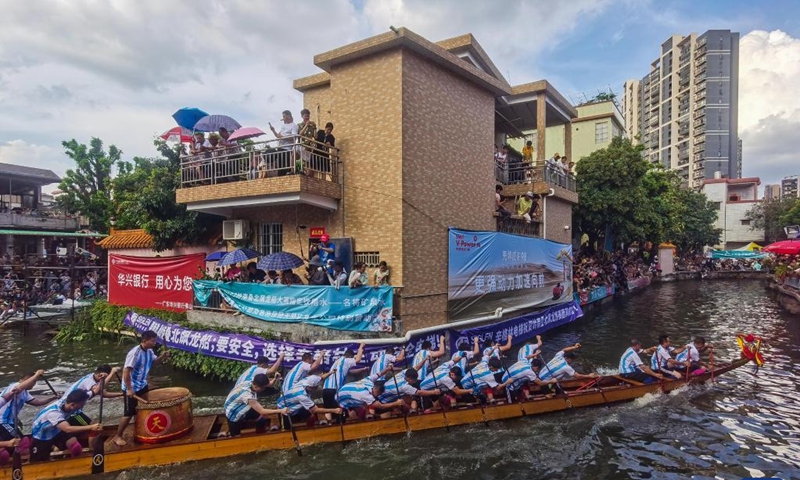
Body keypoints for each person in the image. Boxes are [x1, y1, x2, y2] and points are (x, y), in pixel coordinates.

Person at [111, 330, 171, 447]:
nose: (154, 343)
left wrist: (163, 357)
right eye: (152, 341)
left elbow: (153, 363)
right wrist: (129, 389)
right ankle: (117, 436)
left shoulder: (149, 351)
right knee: (129, 412)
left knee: (144, 408)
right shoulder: (135, 353)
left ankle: (141, 428)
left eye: (155, 341)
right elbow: (126, 372)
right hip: (131, 387)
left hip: (142, 384)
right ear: (145, 340)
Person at [30, 390, 102, 461]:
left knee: (76, 448)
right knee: (40, 462)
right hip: (42, 436)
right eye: (81, 404)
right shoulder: (54, 413)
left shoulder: (69, 401)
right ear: (72, 405)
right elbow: (67, 429)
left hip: (57, 430)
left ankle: (73, 464)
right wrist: (91, 427)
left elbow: (92, 392)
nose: (82, 406)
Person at [0, 372, 59, 444]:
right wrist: (37, 374)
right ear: (21, 380)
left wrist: (52, 398)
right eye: (31, 381)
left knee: (21, 441)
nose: (32, 384)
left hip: (10, 421)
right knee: (20, 441)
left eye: (34, 382)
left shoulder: (25, 393)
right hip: (3, 421)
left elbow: (37, 403)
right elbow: (18, 388)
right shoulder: (15, 386)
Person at [224, 374, 289, 437]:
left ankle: (260, 435)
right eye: (262, 388)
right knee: (236, 436)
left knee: (261, 419)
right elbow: (262, 411)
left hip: (242, 405)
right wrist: (281, 410)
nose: (263, 390)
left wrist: (275, 378)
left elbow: (269, 384)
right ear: (255, 386)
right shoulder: (247, 396)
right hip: (232, 412)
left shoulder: (252, 381)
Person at [58, 365, 123, 426]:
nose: (110, 379)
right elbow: (98, 390)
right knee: (92, 426)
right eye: (108, 377)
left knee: (91, 425)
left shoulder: (93, 377)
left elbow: (103, 393)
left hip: (74, 407)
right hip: (72, 410)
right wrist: (111, 373)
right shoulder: (90, 381)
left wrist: (122, 394)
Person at [277, 375, 342, 426]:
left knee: (310, 414)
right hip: (284, 410)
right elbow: (315, 410)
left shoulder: (304, 381)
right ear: (314, 387)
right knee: (311, 413)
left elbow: (321, 378)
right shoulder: (302, 396)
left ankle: (310, 428)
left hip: (290, 403)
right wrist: (334, 410)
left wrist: (331, 372)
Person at [322, 344, 367, 413]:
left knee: (328, 409)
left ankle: (329, 423)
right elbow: (358, 360)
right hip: (335, 389)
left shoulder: (338, 361)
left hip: (325, 389)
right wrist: (361, 347)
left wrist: (363, 369)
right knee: (339, 408)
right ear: (350, 356)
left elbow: (351, 371)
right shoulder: (347, 360)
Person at [337, 379, 404, 420]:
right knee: (349, 414)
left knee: (363, 409)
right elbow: (381, 406)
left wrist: (387, 369)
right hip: (340, 401)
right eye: (379, 394)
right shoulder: (366, 395)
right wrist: (396, 403)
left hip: (347, 395)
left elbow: (378, 374)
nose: (379, 396)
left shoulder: (369, 382)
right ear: (377, 390)